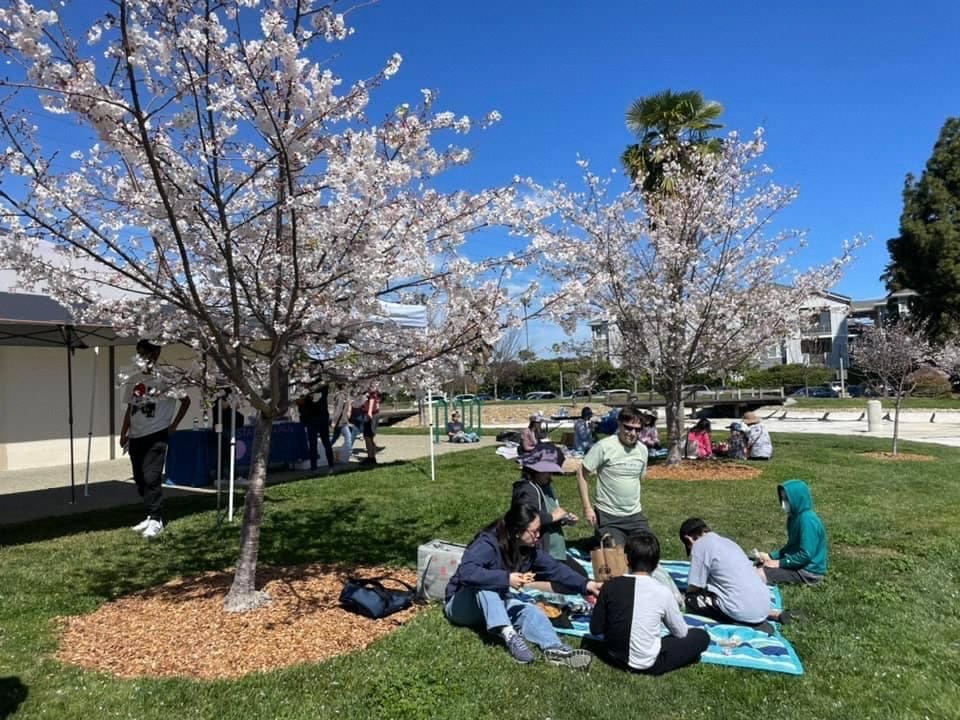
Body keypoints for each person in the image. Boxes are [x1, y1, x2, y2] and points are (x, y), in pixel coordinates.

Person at [444, 503, 601, 667]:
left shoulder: (528, 549)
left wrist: (587, 584)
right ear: (517, 532)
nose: (538, 535)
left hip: (495, 603)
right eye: (534, 531)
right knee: (487, 586)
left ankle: (555, 649)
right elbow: (466, 573)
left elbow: (555, 569)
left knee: (529, 610)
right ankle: (509, 635)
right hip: (460, 605)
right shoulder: (487, 544)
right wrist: (506, 579)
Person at [590, 531, 709, 675]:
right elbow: (681, 632)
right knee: (701, 636)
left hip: (611, 655)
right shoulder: (662, 592)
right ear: (657, 563)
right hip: (648, 664)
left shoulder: (610, 586)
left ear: (626, 559)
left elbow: (595, 629)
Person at [119, 340, 191, 539]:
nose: (143, 358)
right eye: (139, 353)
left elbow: (185, 401)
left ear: (156, 353)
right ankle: (150, 514)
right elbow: (131, 408)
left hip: (156, 434)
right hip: (136, 435)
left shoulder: (167, 378)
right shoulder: (134, 379)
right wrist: (124, 432)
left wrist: (174, 425)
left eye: (146, 353)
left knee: (152, 477)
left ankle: (157, 519)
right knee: (140, 478)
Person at [576, 406, 650, 545]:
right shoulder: (604, 446)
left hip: (634, 515)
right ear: (619, 425)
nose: (633, 433)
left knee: (648, 551)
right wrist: (587, 508)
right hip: (607, 515)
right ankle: (603, 539)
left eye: (638, 429)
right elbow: (581, 473)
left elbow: (639, 479)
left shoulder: (642, 450)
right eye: (628, 428)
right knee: (616, 557)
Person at [679, 518, 771, 627]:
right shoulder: (728, 542)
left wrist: (683, 596)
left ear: (688, 539)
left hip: (741, 611)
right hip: (764, 606)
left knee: (690, 600)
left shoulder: (699, 546)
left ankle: (737, 619)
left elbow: (694, 587)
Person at [511, 443, 584, 573]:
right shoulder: (527, 489)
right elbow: (526, 519)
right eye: (546, 471)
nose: (549, 475)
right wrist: (553, 516)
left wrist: (564, 519)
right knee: (571, 582)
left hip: (555, 552)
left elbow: (549, 512)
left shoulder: (546, 487)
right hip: (540, 552)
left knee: (580, 575)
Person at [755, 479, 828, 587]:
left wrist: (779, 563)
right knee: (759, 566)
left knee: (759, 574)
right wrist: (771, 556)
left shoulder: (807, 520)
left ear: (798, 499)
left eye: (787, 499)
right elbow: (792, 546)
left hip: (808, 572)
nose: (784, 503)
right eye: (782, 498)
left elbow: (805, 555)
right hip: (798, 565)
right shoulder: (793, 517)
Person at [298, 384, 333, 472]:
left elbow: (302, 403)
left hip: (312, 417)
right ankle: (331, 465)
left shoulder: (306, 388)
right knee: (326, 442)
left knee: (313, 444)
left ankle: (314, 467)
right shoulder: (323, 386)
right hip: (322, 417)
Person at [361, 383, 381, 464]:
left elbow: (372, 398)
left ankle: (371, 458)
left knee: (368, 436)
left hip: (371, 414)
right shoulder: (370, 387)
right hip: (370, 413)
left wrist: (369, 412)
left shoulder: (370, 387)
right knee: (369, 436)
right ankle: (371, 457)